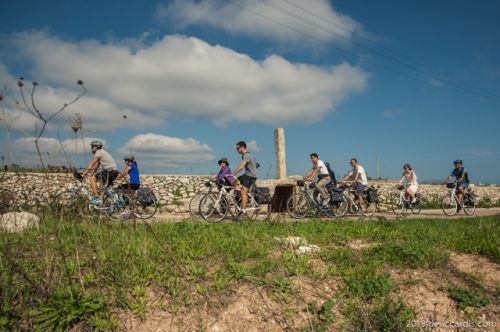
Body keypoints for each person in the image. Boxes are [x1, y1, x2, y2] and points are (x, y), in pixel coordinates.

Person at [81, 140, 119, 204]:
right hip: (113, 172)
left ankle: (96, 198)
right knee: (102, 189)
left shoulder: (98, 152)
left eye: (92, 147)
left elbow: (92, 163)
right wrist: (91, 173)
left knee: (92, 179)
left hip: (109, 172)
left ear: (96, 147)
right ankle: (109, 203)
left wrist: (84, 172)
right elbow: (96, 166)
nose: (91, 148)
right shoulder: (102, 152)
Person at [230, 141, 257, 213]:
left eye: (238, 148)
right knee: (233, 183)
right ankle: (242, 199)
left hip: (250, 176)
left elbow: (242, 166)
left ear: (242, 147)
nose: (237, 150)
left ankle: (243, 210)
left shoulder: (247, 155)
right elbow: (244, 166)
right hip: (246, 175)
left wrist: (233, 173)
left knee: (243, 191)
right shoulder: (244, 156)